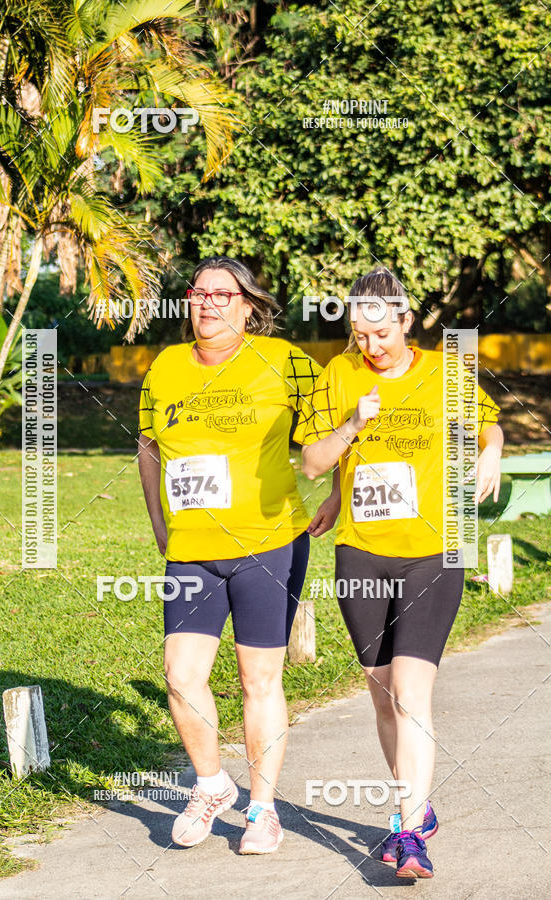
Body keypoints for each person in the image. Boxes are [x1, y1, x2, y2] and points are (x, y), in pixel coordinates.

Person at [294, 267, 502, 879]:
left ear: (407, 321)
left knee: (411, 694)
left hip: (432, 553)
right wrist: (352, 427)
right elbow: (313, 462)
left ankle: (407, 833)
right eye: (360, 335)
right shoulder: (338, 375)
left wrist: (491, 450)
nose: (372, 346)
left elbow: (487, 422)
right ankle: (417, 803)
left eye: (382, 333)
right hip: (361, 554)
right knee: (384, 696)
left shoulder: (443, 372)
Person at [138, 256, 336, 854]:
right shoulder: (166, 366)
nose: (207, 304)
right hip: (192, 548)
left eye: (222, 295)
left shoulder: (284, 361)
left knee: (259, 679)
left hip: (268, 543)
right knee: (181, 676)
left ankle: (262, 810)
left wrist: (336, 495)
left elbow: (334, 427)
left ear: (249, 306)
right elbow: (148, 445)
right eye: (198, 293)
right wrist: (158, 521)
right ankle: (210, 786)